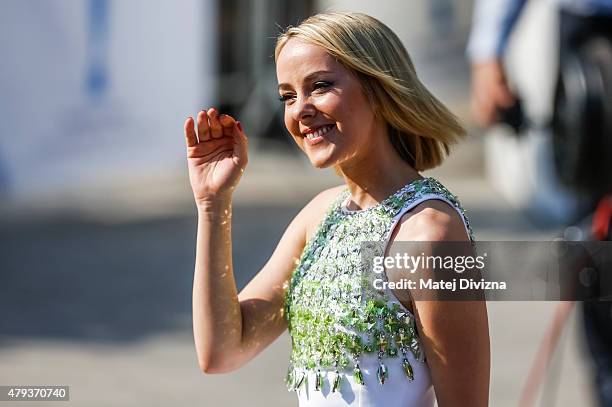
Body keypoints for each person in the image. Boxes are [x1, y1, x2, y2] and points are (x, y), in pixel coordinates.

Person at [185, 12, 490, 406]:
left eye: (320, 86)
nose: (300, 110)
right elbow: (222, 351)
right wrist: (212, 203)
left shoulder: (431, 234)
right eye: (288, 96)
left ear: (377, 87)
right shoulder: (319, 216)